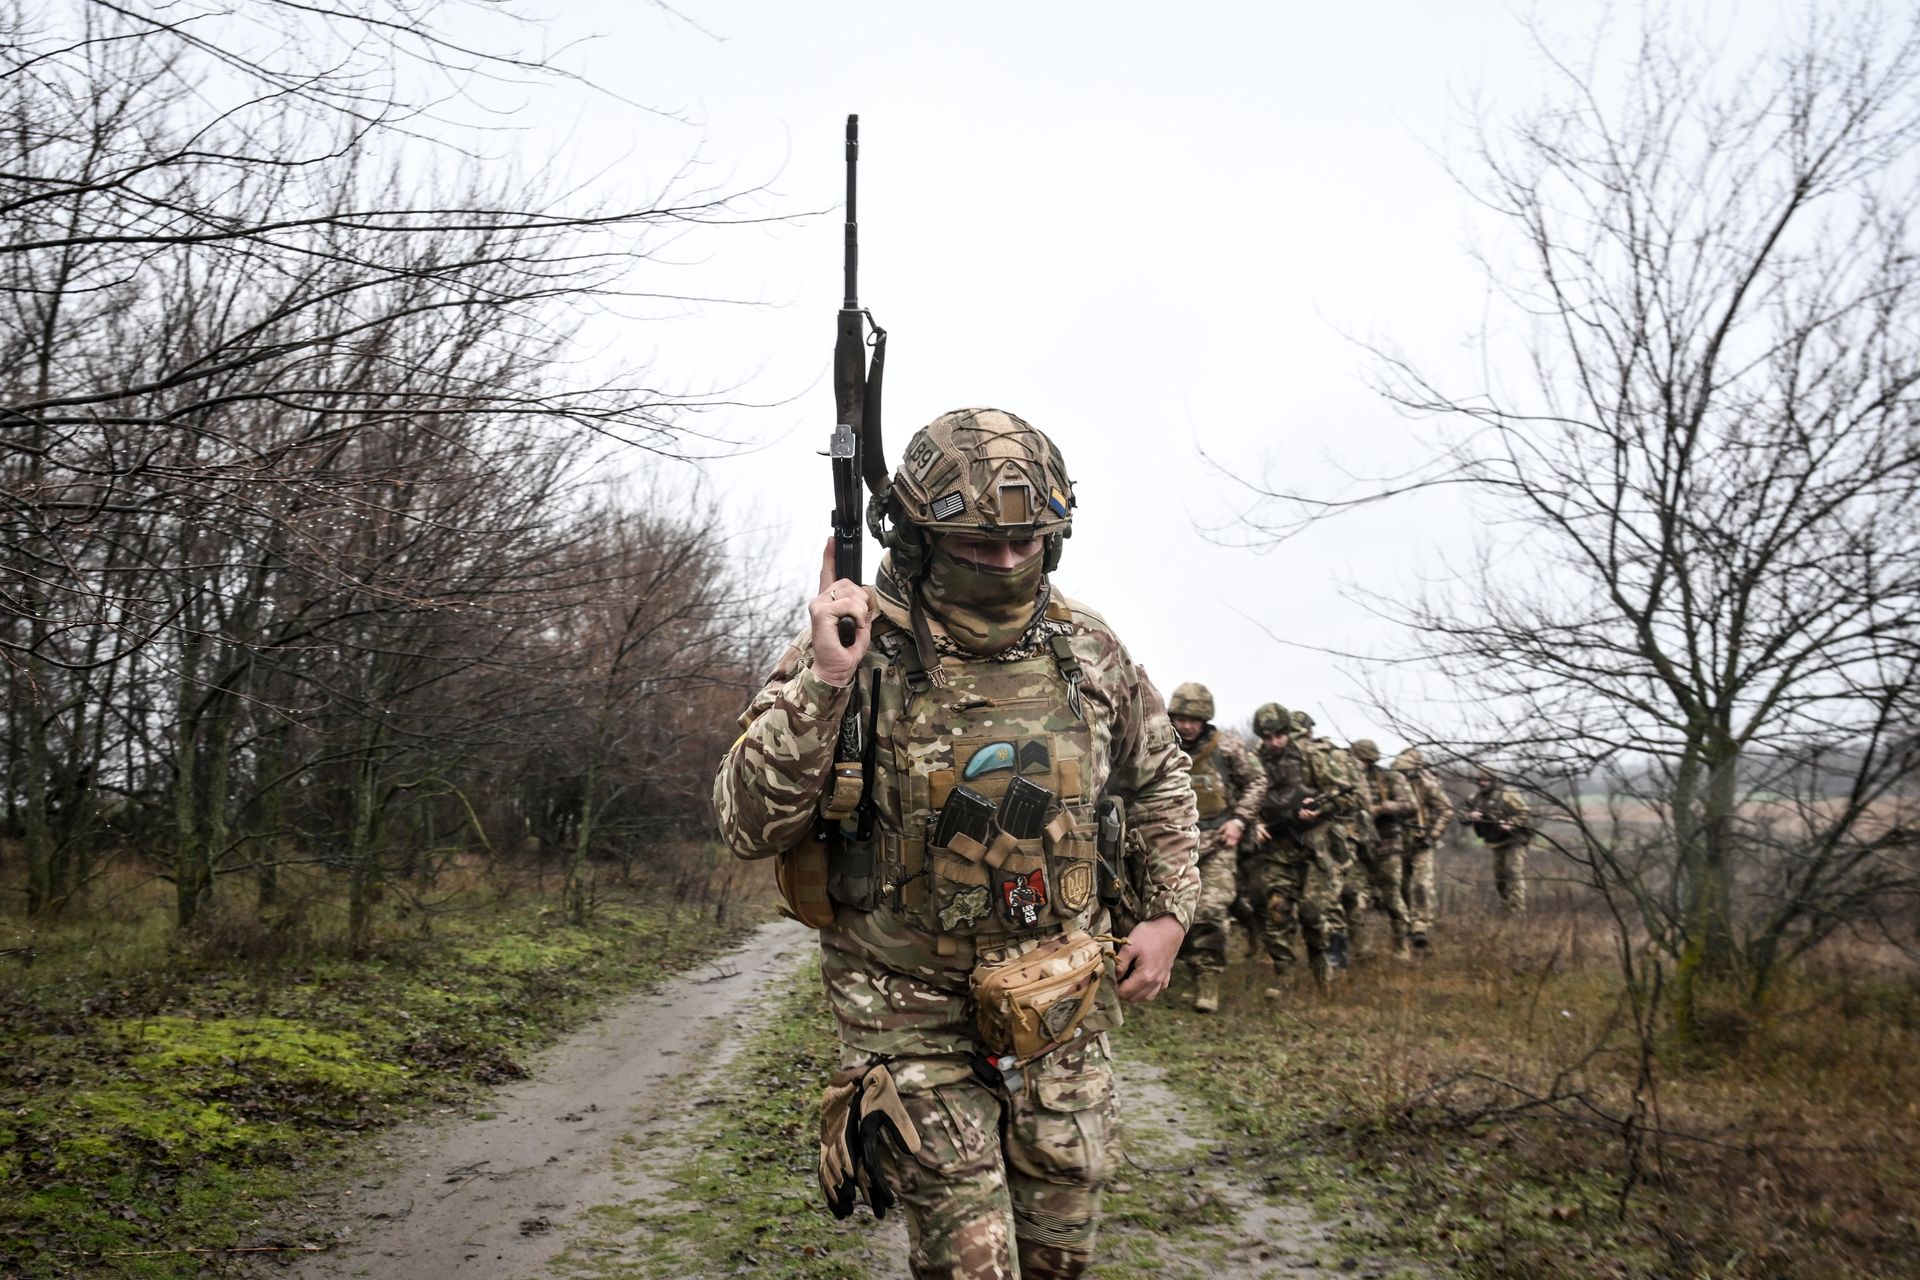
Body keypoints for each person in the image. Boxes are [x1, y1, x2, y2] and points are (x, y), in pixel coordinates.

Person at [712, 407, 1200, 1280]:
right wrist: (825, 682)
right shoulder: (858, 648)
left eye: (1028, 541)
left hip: (1059, 995)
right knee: (972, 1259)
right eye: (980, 542)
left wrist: (1167, 915)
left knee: (1060, 1254)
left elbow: (1158, 779)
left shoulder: (1087, 649)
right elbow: (747, 821)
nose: (1007, 561)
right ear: (920, 534)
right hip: (904, 1007)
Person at [1166, 682, 1266, 1013]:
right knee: (1172, 910)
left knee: (1210, 909)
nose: (1186, 725)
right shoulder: (1158, 744)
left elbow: (1257, 781)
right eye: (1180, 717)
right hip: (1169, 844)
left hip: (1217, 841)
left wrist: (1239, 820)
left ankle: (1207, 981)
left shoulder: (1227, 748)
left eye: (1194, 719)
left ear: (1205, 719)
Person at [1249, 702, 1349, 988]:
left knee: (1313, 913)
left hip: (1316, 849)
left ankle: (1322, 967)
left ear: (1288, 732)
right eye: (1267, 737)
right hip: (1277, 849)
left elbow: (1347, 797)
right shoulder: (1253, 761)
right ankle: (1284, 979)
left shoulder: (1312, 756)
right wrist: (1253, 823)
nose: (1274, 742)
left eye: (1279, 735)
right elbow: (1241, 798)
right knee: (1276, 911)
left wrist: (1321, 808)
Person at [1349, 739, 1417, 959]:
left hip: (1387, 844)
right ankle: (1362, 950)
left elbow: (1410, 806)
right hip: (1358, 848)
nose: (1361, 763)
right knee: (1354, 898)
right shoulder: (1346, 778)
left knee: (1392, 898)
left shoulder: (1390, 778)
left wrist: (1386, 808)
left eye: (1365, 759)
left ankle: (1401, 945)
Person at [1392, 747, 1453, 948]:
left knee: (1421, 885)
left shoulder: (1426, 786)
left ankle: (1420, 926)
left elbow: (1446, 810)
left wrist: (1432, 835)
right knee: (1401, 886)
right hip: (1396, 842)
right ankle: (1406, 924)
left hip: (1421, 842)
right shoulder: (1388, 784)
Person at [1464, 771, 1533, 913]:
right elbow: (1459, 812)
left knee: (1513, 872)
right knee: (1499, 876)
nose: (1482, 783)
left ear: (1493, 781)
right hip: (1496, 841)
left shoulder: (1507, 794)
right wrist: (1469, 815)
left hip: (1515, 838)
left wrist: (1510, 822)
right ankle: (1506, 906)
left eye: (1486, 780)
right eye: (1479, 780)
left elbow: (1524, 812)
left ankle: (1517, 912)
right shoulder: (1475, 798)